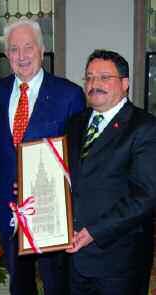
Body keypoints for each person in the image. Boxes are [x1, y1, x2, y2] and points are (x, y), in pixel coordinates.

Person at [0, 19, 86, 295]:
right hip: (8, 205)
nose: (22, 56)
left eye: (28, 47)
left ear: (42, 50)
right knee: (19, 282)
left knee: (56, 282)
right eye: (14, 49)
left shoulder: (70, 94)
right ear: (7, 56)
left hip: (50, 209)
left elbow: (78, 155)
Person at [66, 49, 156, 295]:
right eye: (89, 77)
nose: (95, 84)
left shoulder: (145, 128)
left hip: (119, 260)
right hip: (75, 256)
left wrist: (94, 232)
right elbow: (68, 174)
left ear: (124, 84)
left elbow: (146, 197)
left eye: (105, 77)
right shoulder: (75, 123)